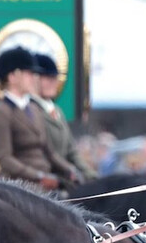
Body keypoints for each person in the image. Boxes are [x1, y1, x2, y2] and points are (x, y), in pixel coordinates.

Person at [0, 46, 76, 191]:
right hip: (20, 187)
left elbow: (49, 152)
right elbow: (5, 159)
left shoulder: (35, 109)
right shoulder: (1, 112)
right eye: (28, 73)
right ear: (12, 77)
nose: (34, 78)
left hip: (46, 182)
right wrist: (39, 176)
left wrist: (69, 169)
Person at [30, 53, 97, 182]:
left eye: (54, 78)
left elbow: (71, 150)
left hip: (66, 177)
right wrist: (70, 171)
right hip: (46, 180)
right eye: (48, 78)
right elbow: (45, 152)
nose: (53, 82)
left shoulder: (58, 111)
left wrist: (90, 175)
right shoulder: (30, 110)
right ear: (35, 79)